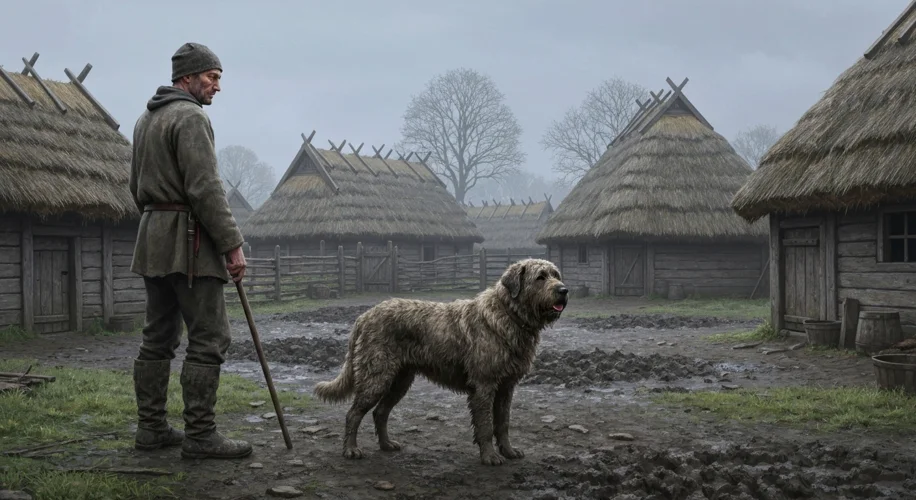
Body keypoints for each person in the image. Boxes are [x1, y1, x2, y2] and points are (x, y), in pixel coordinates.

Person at [128, 42, 251, 460]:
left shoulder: (146, 119)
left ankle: (152, 430)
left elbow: (134, 187)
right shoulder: (191, 117)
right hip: (189, 242)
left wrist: (158, 222)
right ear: (187, 78)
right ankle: (200, 436)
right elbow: (205, 188)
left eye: (218, 78)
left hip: (152, 239)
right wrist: (232, 244)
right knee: (210, 337)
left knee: (157, 337)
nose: (217, 87)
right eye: (211, 77)